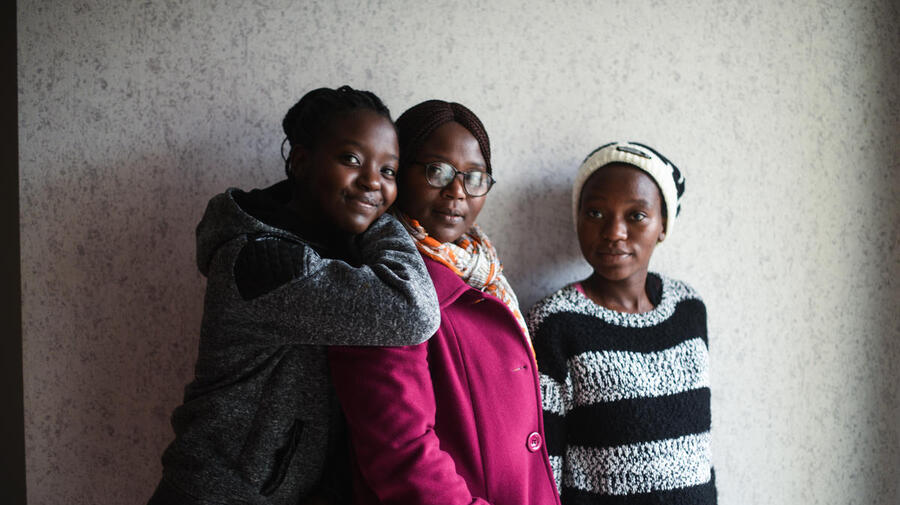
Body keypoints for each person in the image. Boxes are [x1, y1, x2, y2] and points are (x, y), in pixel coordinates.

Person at [148, 86, 440, 505]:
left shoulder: (327, 252)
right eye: (352, 160)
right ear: (301, 162)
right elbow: (413, 311)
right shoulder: (264, 263)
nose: (373, 180)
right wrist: (381, 216)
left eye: (389, 171)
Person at [328, 100, 561, 505]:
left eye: (475, 177)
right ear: (400, 172)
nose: (457, 191)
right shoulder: (387, 287)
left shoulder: (483, 272)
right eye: (437, 171)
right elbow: (401, 452)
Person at [528, 142, 716, 504]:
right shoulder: (556, 321)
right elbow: (544, 464)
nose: (614, 231)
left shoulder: (689, 308)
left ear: (663, 224)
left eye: (636, 216)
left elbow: (698, 443)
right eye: (596, 213)